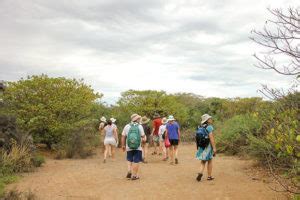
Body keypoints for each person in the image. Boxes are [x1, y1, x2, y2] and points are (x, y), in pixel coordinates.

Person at [121, 114, 146, 180]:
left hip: (128, 146)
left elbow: (123, 136)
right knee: (136, 161)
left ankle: (129, 170)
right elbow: (143, 137)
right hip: (138, 146)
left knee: (129, 159)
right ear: (137, 119)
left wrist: (123, 145)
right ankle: (134, 175)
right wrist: (143, 143)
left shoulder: (126, 126)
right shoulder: (140, 126)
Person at [195, 114, 217, 181]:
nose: (211, 119)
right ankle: (209, 176)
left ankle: (200, 173)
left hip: (201, 146)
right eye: (210, 118)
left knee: (203, 161)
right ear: (207, 120)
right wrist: (214, 148)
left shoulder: (199, 127)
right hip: (208, 146)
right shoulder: (209, 127)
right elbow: (211, 138)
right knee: (210, 161)